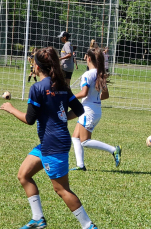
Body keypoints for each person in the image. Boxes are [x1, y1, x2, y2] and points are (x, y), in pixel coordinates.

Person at [0, 47, 98, 229]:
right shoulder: (61, 86)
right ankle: (38, 219)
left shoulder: (37, 88)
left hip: (53, 144)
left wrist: (10, 108)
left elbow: (29, 120)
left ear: (37, 67)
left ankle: (88, 226)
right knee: (24, 175)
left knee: (61, 189)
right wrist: (60, 118)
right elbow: (79, 110)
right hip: (50, 142)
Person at [70, 48, 121, 171]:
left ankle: (114, 150)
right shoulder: (100, 73)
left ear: (88, 58)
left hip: (88, 111)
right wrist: (94, 100)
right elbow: (105, 95)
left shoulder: (87, 74)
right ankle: (80, 165)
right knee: (75, 137)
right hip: (95, 110)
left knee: (84, 141)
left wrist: (69, 98)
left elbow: (84, 93)